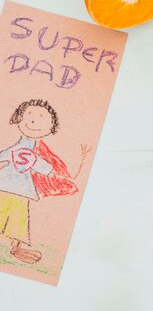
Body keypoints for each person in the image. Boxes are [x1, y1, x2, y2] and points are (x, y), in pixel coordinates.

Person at [0, 99, 89, 264]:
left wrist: (79, 167)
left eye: (42, 117)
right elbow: (4, 155)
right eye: (30, 115)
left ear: (50, 127)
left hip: (21, 191)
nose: (34, 121)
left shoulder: (35, 155)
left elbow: (49, 170)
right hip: (5, 186)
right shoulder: (19, 149)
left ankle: (16, 247)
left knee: (17, 219)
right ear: (19, 118)